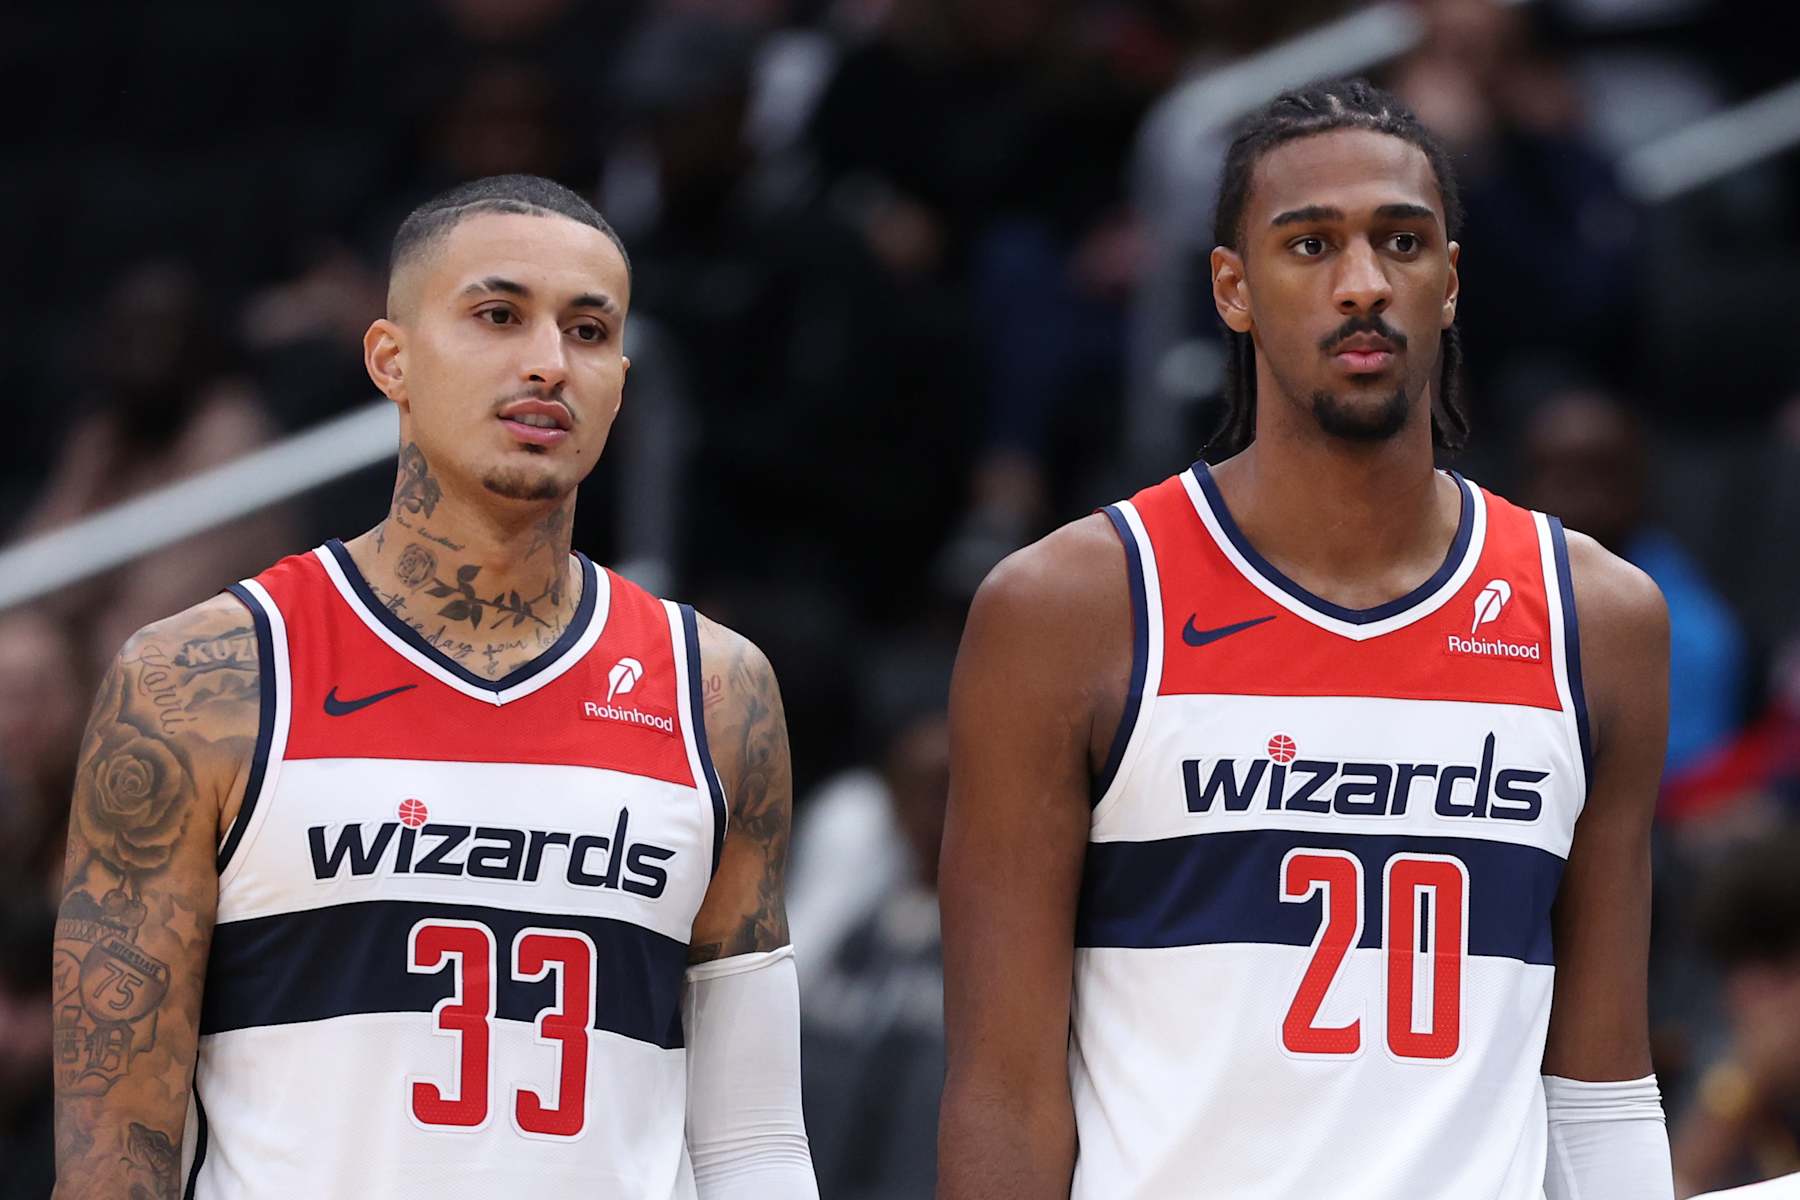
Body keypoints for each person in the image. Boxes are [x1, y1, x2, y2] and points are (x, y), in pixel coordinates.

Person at [938, 80, 1674, 1198]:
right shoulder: (1069, 608)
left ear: (1452, 279)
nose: (1364, 283)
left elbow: (1600, 1090)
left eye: (1402, 241)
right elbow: (1004, 1089)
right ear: (1232, 288)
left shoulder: (1598, 620)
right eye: (1311, 244)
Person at [50, 175, 817, 1199]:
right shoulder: (202, 678)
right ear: (391, 359)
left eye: (589, 332)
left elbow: (753, 1142)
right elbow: (117, 1157)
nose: (549, 362)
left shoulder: (716, 693)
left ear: (620, 383)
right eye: (498, 316)